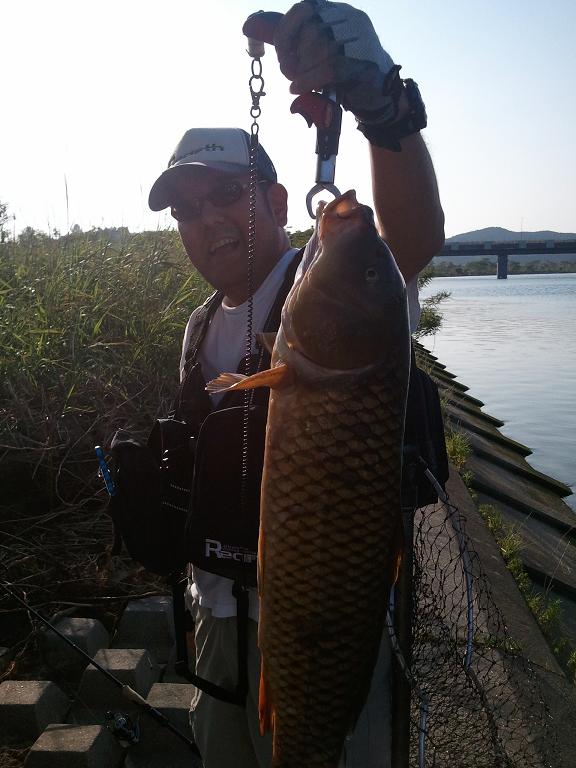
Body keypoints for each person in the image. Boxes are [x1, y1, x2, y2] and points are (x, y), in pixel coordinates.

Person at [148, 3, 444, 766]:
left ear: (278, 203)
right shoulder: (198, 328)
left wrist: (380, 106)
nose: (206, 220)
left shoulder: (335, 292)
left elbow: (410, 238)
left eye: (226, 194)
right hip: (217, 626)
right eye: (186, 210)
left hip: (330, 625)